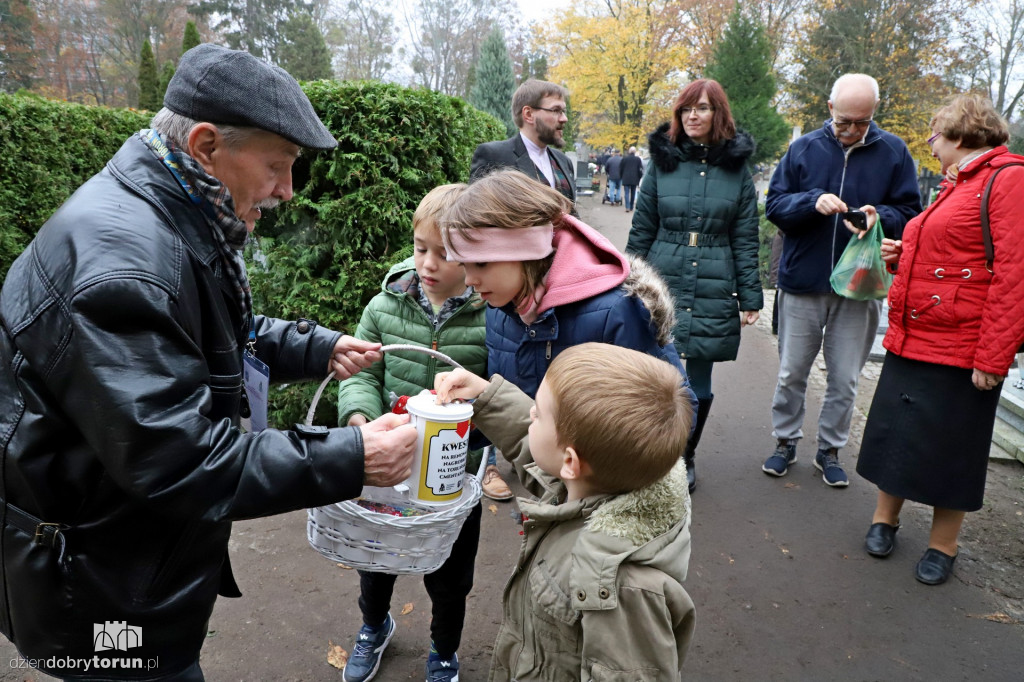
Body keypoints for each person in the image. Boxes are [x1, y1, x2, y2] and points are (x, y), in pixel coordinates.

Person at [0, 44, 417, 681]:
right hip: (103, 591)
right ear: (204, 145)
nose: (287, 190)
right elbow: (181, 458)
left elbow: (207, 332)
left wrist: (314, 347)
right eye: (278, 166)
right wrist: (352, 457)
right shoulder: (126, 265)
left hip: (124, 557)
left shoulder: (166, 210)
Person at [434, 342, 696, 680]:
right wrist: (486, 394)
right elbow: (537, 451)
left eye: (539, 413)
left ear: (571, 462)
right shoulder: (595, 483)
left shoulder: (622, 589)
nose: (531, 414)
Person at [856, 95, 1024, 585]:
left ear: (959, 134)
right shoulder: (958, 184)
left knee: (955, 447)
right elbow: (952, 256)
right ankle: (884, 520)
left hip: (962, 345)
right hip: (916, 336)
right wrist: (901, 255)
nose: (929, 146)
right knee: (898, 432)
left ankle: (942, 546)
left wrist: (993, 357)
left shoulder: (1007, 179)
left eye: (933, 135)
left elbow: (1013, 274)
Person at [335, 184, 486, 682]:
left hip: (452, 476)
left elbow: (498, 392)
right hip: (388, 466)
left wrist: (476, 433)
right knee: (376, 558)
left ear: (474, 255)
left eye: (445, 253)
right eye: (422, 248)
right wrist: (358, 418)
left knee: (450, 577)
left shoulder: (491, 317)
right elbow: (360, 372)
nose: (429, 263)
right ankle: (374, 625)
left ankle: (444, 651)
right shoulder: (385, 306)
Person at [762, 73, 922, 487]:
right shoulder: (803, 148)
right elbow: (775, 206)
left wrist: (877, 217)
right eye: (844, 121)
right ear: (829, 109)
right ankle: (784, 441)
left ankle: (830, 448)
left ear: (873, 115)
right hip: (803, 278)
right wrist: (810, 202)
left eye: (862, 122)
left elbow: (910, 212)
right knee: (791, 372)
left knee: (846, 377)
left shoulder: (893, 152)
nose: (852, 130)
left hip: (861, 284)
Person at [439, 168, 698, 418]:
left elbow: (678, 411)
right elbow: (518, 413)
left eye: (482, 263)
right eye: (464, 265)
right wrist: (468, 408)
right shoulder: (501, 309)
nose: (470, 280)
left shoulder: (615, 312)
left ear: (525, 250)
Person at [627, 79, 762, 494]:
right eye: (686, 109)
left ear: (717, 114)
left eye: (702, 108)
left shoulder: (736, 171)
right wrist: (625, 278)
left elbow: (745, 236)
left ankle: (685, 455)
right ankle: (651, 455)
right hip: (662, 274)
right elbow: (642, 227)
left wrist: (750, 295)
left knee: (698, 381)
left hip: (714, 277)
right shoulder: (661, 164)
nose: (692, 116)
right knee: (653, 371)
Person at [470, 78, 575, 206]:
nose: (564, 118)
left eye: (563, 111)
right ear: (528, 114)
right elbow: (477, 214)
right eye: (556, 110)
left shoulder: (564, 161)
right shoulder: (493, 156)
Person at [620, 145, 644, 212]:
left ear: (629, 151)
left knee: (626, 193)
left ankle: (627, 207)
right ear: (635, 152)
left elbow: (621, 169)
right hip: (634, 178)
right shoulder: (638, 159)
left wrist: (621, 176)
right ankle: (631, 207)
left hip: (626, 178)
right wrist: (639, 177)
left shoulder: (624, 159)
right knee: (633, 193)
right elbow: (640, 169)